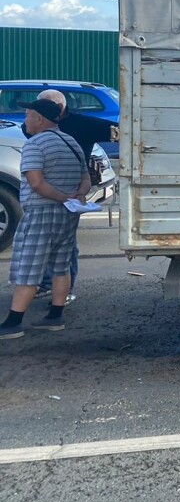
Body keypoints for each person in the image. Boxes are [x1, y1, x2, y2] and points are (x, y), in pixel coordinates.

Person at [0, 98, 90, 340]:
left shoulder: (34, 145)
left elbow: (36, 183)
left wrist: (61, 196)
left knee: (29, 267)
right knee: (61, 265)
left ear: (39, 119)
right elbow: (86, 178)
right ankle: (55, 316)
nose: (25, 120)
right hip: (68, 215)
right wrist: (77, 196)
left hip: (41, 213)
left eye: (28, 115)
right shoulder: (71, 142)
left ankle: (13, 322)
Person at [23, 89, 117, 302]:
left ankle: (64, 290)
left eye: (38, 107)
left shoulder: (84, 124)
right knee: (50, 244)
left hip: (72, 191)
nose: (27, 118)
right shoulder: (31, 128)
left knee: (65, 244)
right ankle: (49, 284)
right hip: (52, 191)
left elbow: (121, 133)